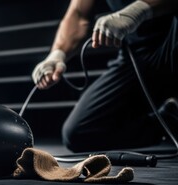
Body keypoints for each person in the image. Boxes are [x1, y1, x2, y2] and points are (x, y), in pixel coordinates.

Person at [32, 0, 178, 152]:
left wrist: (138, 10)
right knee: (80, 133)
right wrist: (57, 54)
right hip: (137, 54)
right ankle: (171, 118)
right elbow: (78, 13)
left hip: (172, 37)